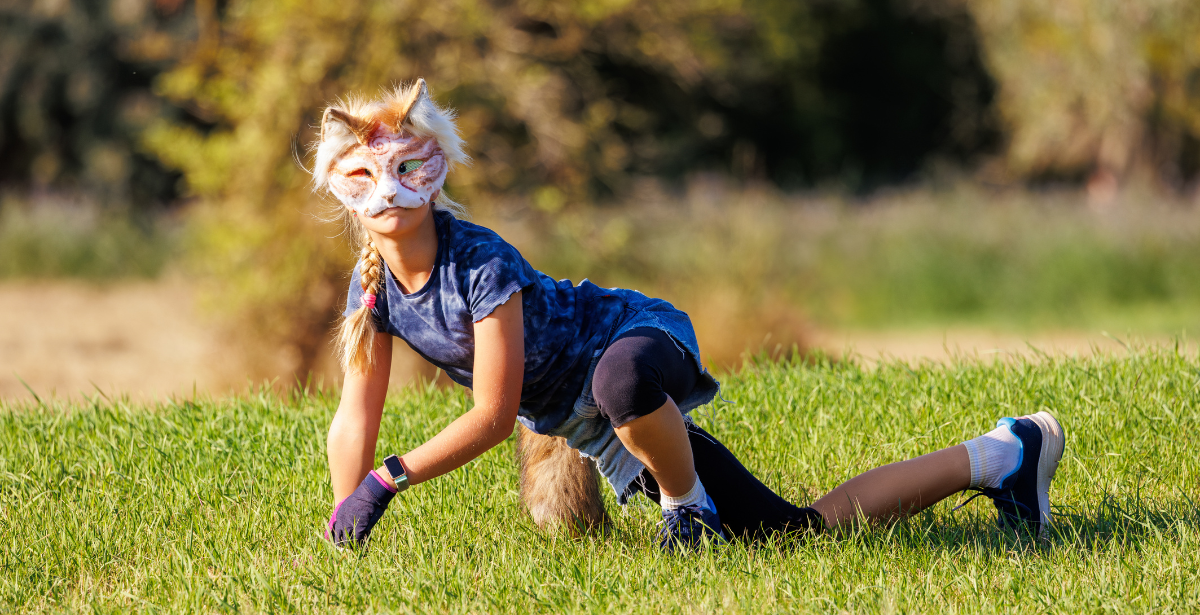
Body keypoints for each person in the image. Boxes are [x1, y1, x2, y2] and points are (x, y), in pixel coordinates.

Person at [319, 80, 1066, 551]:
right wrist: (341, 518)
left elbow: (493, 410)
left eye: (409, 168)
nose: (388, 192)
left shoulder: (481, 263)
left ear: (438, 169)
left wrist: (386, 481)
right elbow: (357, 413)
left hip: (639, 340)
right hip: (592, 423)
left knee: (619, 380)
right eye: (365, 177)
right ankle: (1005, 454)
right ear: (340, 189)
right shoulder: (373, 287)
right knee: (794, 532)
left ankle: (688, 512)